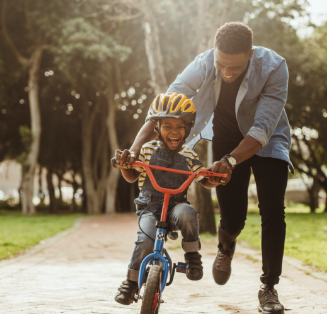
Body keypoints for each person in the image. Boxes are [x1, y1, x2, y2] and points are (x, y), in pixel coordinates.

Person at [119, 22, 293, 314]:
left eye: (234, 68)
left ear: (250, 54)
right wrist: (135, 149)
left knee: (273, 209)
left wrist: (232, 161)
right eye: (221, 65)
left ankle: (269, 287)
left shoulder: (274, 68)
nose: (226, 73)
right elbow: (165, 106)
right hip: (226, 136)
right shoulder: (203, 63)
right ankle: (226, 245)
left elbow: (262, 128)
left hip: (268, 139)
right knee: (234, 217)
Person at [113, 92, 219, 306]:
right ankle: (131, 282)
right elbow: (132, 175)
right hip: (150, 208)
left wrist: (214, 178)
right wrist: (125, 166)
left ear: (188, 129)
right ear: (157, 128)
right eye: (167, 126)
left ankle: (192, 256)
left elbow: (202, 178)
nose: (174, 132)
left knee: (188, 214)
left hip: (176, 207)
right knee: (145, 240)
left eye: (180, 127)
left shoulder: (189, 155)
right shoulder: (146, 149)